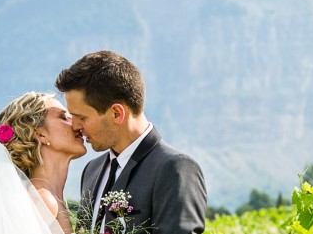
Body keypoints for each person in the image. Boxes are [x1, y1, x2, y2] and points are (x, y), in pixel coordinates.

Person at [55, 50, 207, 234]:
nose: (75, 126)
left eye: (81, 117)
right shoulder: (91, 171)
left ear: (117, 113)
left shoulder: (175, 168)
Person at [0, 92, 87, 234]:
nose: (75, 124)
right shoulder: (41, 201)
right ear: (40, 134)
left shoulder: (48, 198)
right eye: (64, 117)